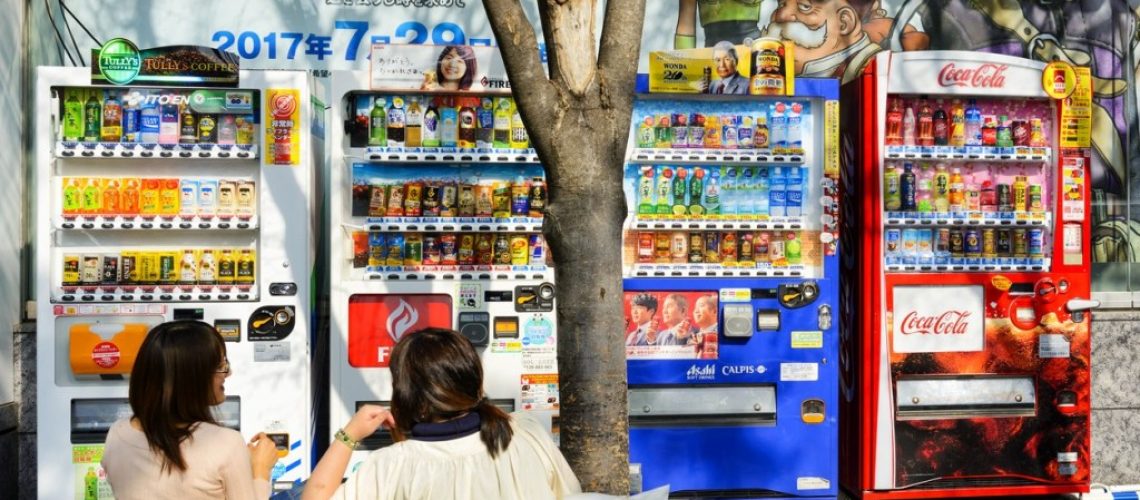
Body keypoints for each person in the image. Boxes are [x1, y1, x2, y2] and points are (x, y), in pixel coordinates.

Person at [302, 328, 580, 500]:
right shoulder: (526, 433)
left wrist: (348, 436)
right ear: (474, 379)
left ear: (406, 393)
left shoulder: (389, 466)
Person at [102, 320, 279, 500]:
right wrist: (261, 469)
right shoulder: (227, 443)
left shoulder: (117, 433)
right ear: (192, 378)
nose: (228, 373)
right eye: (220, 367)